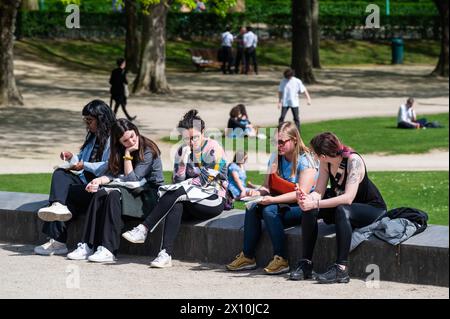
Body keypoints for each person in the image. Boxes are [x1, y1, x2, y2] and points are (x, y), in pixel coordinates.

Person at [121, 110, 228, 268]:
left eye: (194, 138)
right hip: (189, 198)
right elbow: (177, 180)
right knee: (175, 204)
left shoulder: (214, 148)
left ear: (203, 133)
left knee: (176, 193)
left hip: (213, 198)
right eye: (186, 139)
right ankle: (165, 254)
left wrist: (184, 184)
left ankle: (144, 228)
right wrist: (183, 162)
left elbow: (207, 181)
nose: (191, 142)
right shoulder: (181, 151)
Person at [290, 132, 387, 284]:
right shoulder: (325, 162)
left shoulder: (354, 161)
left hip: (372, 209)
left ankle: (341, 269)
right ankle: (306, 264)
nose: (312, 156)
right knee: (309, 209)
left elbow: (348, 198)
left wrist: (315, 203)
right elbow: (319, 192)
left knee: (342, 209)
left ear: (322, 155)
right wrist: (307, 199)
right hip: (347, 208)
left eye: (313, 153)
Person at [226, 122, 319, 275]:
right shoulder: (276, 156)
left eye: (282, 142)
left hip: (304, 207)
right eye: (275, 142)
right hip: (283, 202)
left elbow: (301, 194)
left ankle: (281, 258)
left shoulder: (306, 160)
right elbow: (267, 187)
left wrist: (271, 200)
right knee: (252, 207)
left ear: (294, 139)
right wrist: (257, 193)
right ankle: (248, 257)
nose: (278, 145)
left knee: (269, 210)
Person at [66, 119, 164, 262]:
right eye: (125, 141)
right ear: (118, 142)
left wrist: (128, 154)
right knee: (100, 192)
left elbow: (132, 179)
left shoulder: (148, 150)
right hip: (129, 190)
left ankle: (108, 249)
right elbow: (113, 174)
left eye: (132, 136)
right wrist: (98, 181)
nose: (131, 141)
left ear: (136, 131)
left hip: (148, 194)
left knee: (113, 194)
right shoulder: (117, 150)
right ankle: (87, 245)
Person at [34, 100, 116, 256]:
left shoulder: (113, 138)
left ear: (101, 118)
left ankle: (58, 241)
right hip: (85, 181)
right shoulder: (93, 137)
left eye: (90, 120)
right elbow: (82, 160)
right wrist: (72, 158)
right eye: (86, 121)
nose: (87, 125)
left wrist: (84, 165)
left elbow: (108, 166)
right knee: (60, 174)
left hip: (101, 185)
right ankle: (57, 205)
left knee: (65, 196)